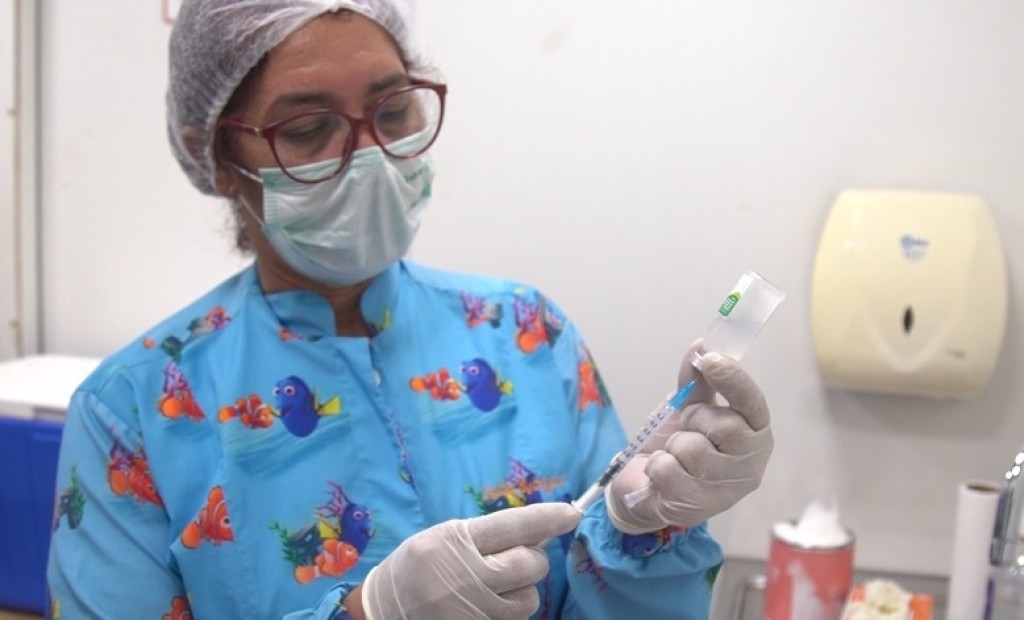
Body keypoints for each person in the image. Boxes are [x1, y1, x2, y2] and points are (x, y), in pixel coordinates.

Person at [45, 1, 774, 618]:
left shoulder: (526, 334)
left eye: (393, 111)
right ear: (217, 158)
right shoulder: (133, 411)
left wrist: (645, 525)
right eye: (307, 129)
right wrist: (367, 612)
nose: (370, 156)